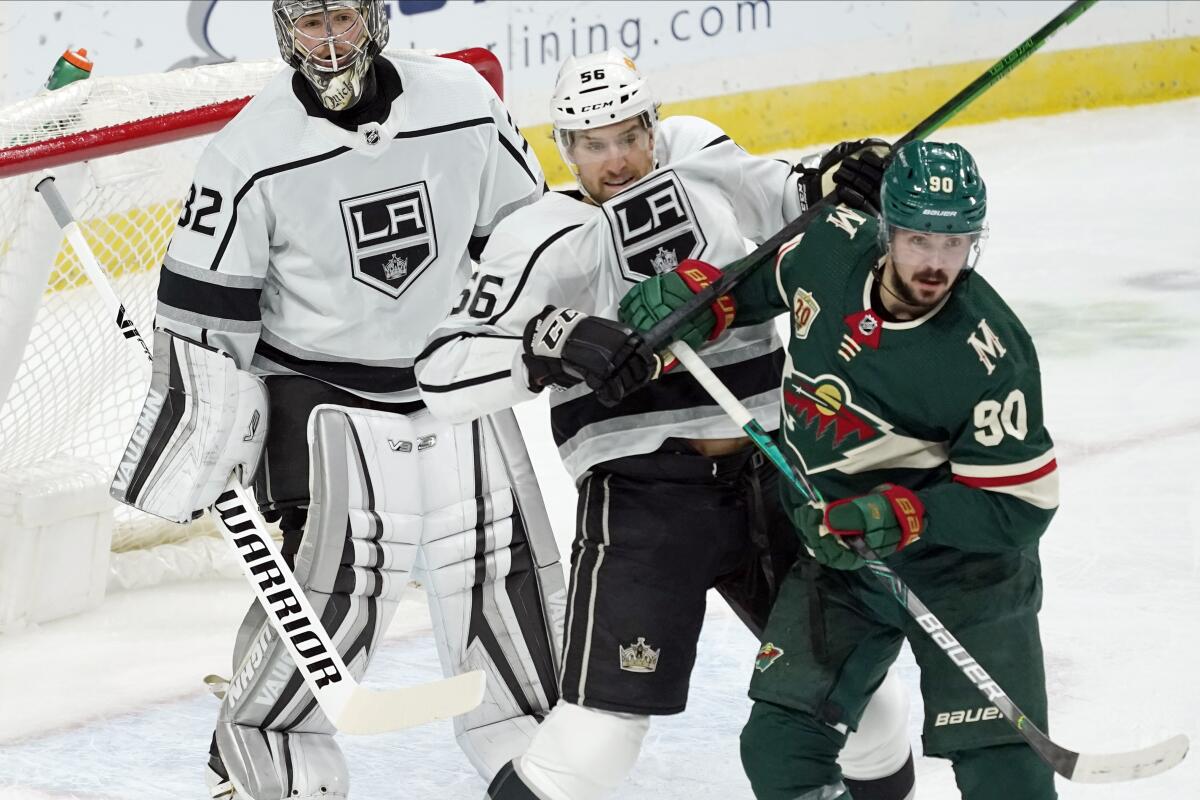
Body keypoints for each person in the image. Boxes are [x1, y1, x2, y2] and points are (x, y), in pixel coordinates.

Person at [416, 49, 916, 800]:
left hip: (770, 474)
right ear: (564, 147)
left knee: (862, 705)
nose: (616, 160)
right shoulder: (541, 234)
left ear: (653, 125)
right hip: (647, 503)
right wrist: (555, 343)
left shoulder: (699, 156)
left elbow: (790, 197)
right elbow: (442, 369)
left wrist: (846, 181)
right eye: (593, 144)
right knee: (594, 743)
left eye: (629, 135)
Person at [109, 2, 565, 798]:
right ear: (286, 29)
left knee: (505, 576)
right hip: (320, 393)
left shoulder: (460, 100)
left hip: (450, 378)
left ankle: (528, 747)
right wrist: (211, 430)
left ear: (378, 18)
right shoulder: (248, 151)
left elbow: (528, 240)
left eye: (344, 19)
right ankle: (264, 742)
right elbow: (201, 318)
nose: (327, 43)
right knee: (336, 595)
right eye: (310, 23)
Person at [617, 140, 1059, 799]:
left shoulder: (990, 352)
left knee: (1003, 772)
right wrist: (710, 301)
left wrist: (905, 513)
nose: (937, 264)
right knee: (780, 747)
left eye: (955, 244)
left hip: (963, 574)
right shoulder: (827, 244)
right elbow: (761, 282)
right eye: (918, 240)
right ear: (884, 227)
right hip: (842, 561)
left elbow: (1021, 504)